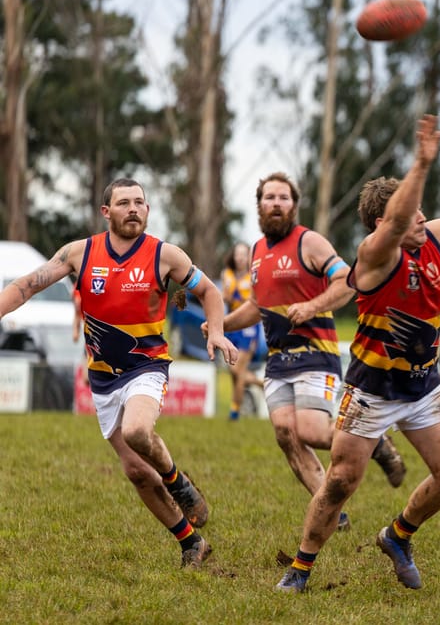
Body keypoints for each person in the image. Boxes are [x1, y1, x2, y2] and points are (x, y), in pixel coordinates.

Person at [276, 115, 440, 593]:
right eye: (412, 213)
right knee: (341, 482)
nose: (422, 217)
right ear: (383, 223)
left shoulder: (436, 236)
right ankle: (300, 569)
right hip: (371, 390)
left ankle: (398, 535)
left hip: (423, 385)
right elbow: (396, 220)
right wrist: (422, 164)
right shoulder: (375, 254)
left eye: (421, 211)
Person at [0, 178, 237, 569]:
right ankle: (191, 543)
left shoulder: (165, 255)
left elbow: (210, 292)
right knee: (137, 471)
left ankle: (177, 481)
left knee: (137, 431)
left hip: (147, 367)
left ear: (147, 210)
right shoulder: (79, 253)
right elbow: (27, 285)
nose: (133, 209)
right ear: (106, 211)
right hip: (103, 378)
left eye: (140, 202)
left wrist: (217, 331)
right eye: (124, 202)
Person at [210, 171, 407, 517]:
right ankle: (331, 513)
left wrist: (312, 306)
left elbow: (348, 281)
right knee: (286, 434)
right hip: (278, 359)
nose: (276, 203)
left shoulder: (309, 242)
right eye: (269, 197)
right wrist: (219, 324)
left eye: (283, 198)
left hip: (316, 353)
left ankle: (373, 440)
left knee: (313, 432)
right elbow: (257, 305)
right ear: (259, 205)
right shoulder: (257, 251)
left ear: (294, 205)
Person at [220, 241, 264, 420]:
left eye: (244, 254)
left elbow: (256, 302)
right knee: (234, 372)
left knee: (238, 370)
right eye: (237, 254)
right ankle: (259, 385)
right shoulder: (226, 274)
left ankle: (234, 413)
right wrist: (225, 297)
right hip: (232, 325)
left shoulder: (253, 276)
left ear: (249, 257)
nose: (240, 258)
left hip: (249, 327)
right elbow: (224, 297)